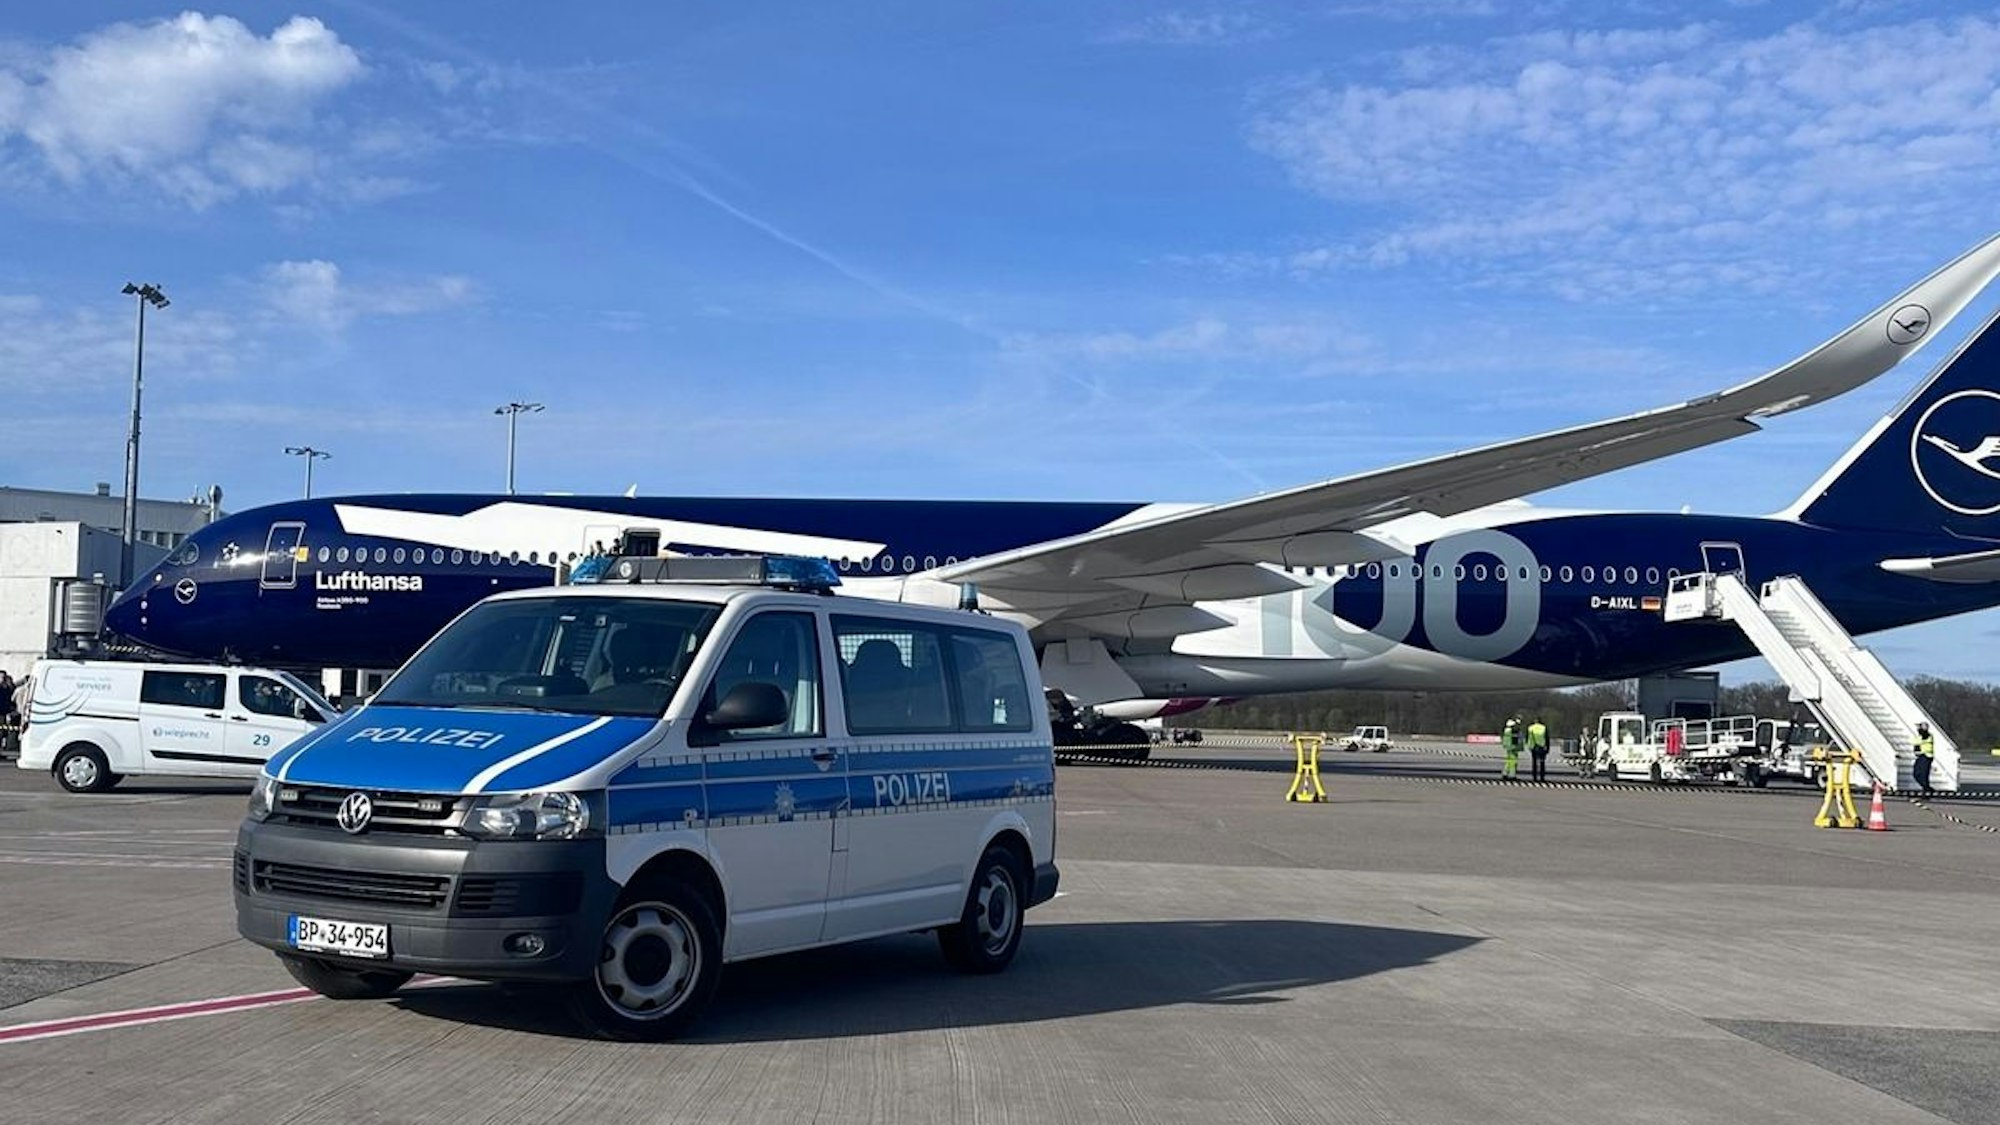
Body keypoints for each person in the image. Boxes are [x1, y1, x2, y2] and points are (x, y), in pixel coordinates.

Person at [1913, 722, 1936, 794]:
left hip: (1927, 756)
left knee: (1924, 775)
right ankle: (1927, 788)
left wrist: (1922, 728)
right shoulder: (1918, 737)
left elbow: (1924, 736)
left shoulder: (1928, 736)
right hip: (1920, 756)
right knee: (1916, 774)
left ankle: (1926, 790)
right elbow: (1916, 746)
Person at [1526, 716, 1550, 782]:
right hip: (1542, 747)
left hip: (1533, 747)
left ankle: (1534, 777)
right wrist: (1547, 748)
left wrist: (1529, 746)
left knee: (1534, 763)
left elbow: (1527, 737)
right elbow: (1547, 738)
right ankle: (1542, 777)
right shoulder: (1543, 728)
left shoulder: (1530, 728)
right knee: (1542, 763)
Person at [1501, 714, 1521, 780]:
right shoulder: (1513, 729)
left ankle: (1505, 773)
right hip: (1513, 747)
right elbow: (1515, 738)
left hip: (1508, 746)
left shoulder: (1507, 729)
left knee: (1508, 761)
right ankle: (1512, 775)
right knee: (1513, 761)